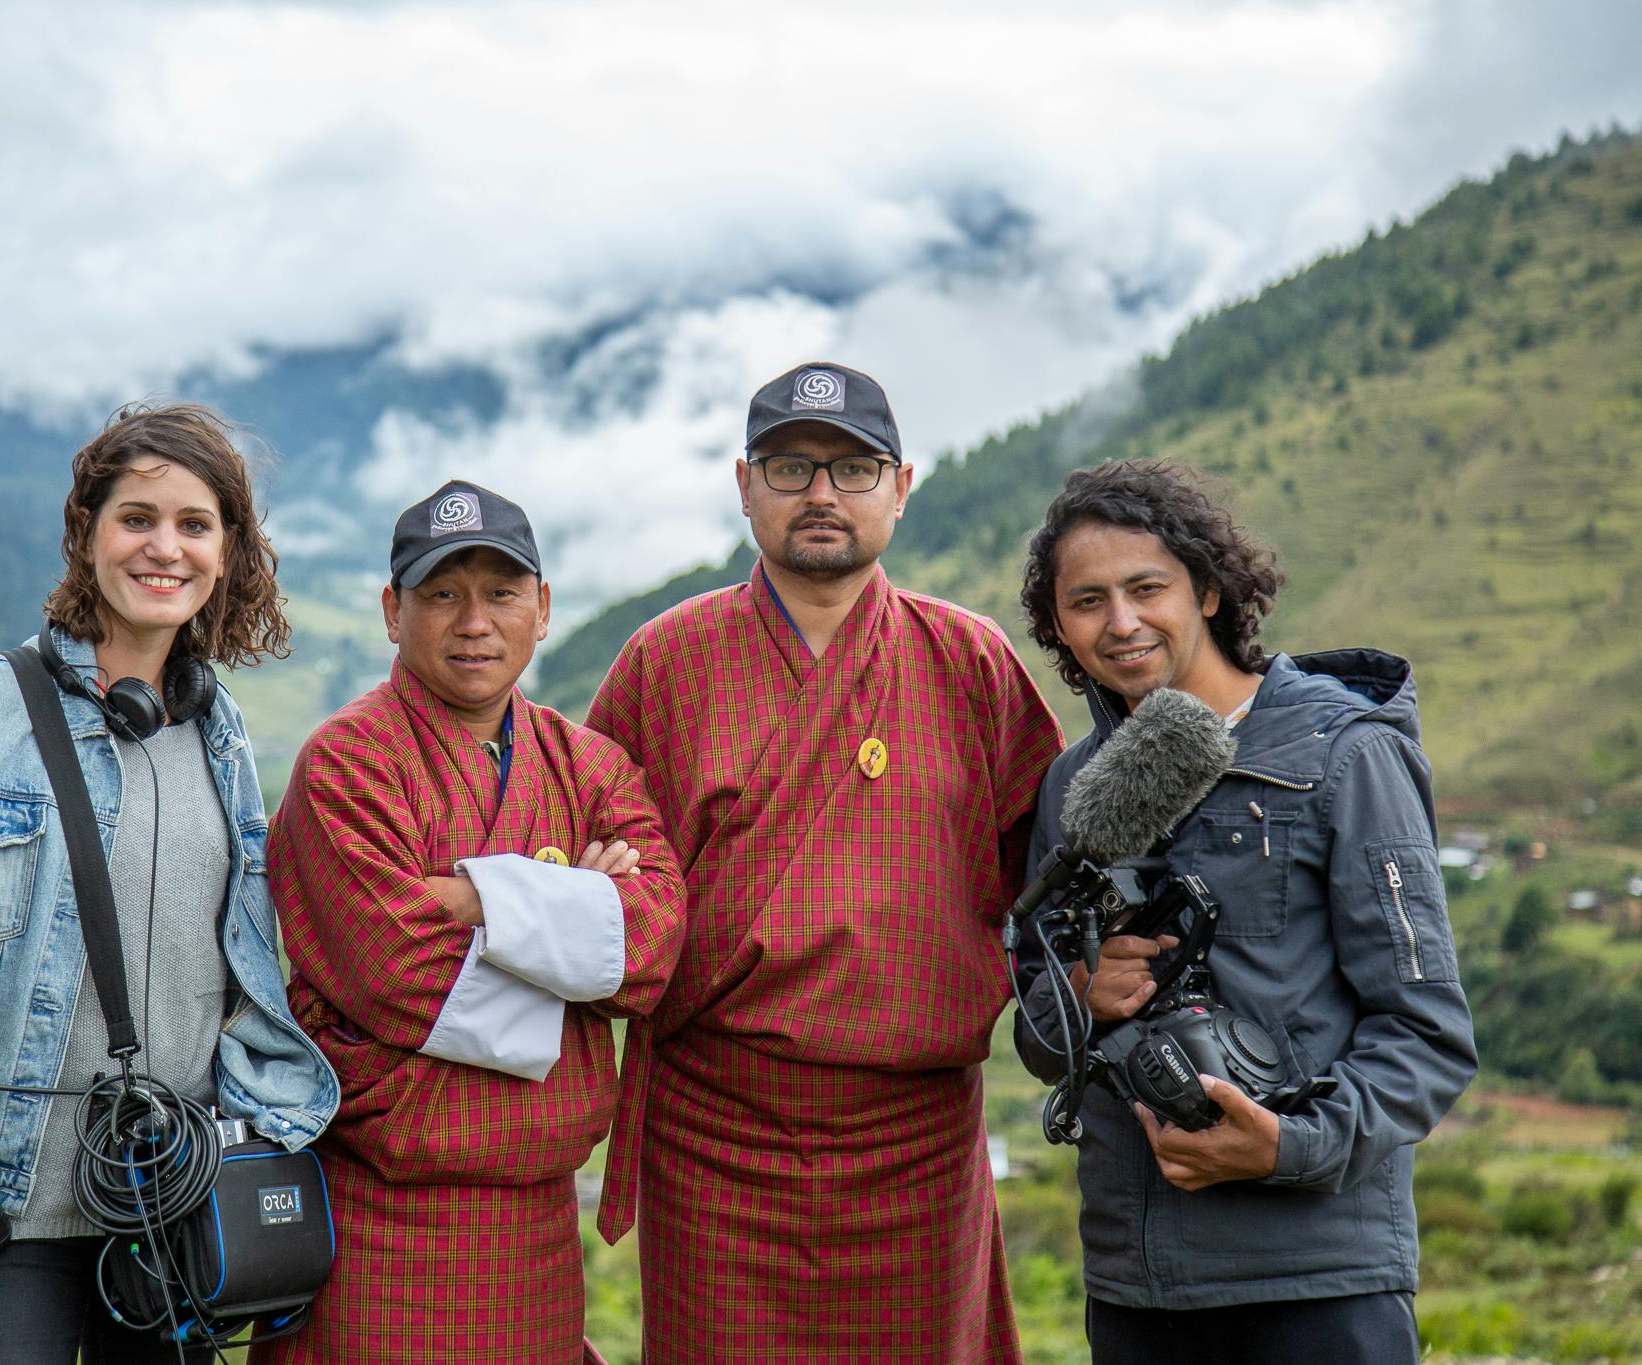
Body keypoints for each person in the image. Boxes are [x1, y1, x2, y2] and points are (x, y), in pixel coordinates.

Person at [0, 403, 338, 1364]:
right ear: (85, 533)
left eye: (194, 524)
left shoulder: (222, 737)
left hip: (167, 1203)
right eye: (136, 518)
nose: (163, 547)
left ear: (228, 552)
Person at [585, 363, 1064, 1363]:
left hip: (917, 1136)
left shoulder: (968, 662)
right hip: (716, 1129)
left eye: (852, 469)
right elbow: (597, 883)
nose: (819, 494)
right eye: (790, 466)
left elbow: (1056, 878)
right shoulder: (663, 663)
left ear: (901, 486)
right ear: (743, 483)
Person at [1013, 459, 1477, 1365]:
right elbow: (1036, 1032)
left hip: (1319, 1280)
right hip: (1135, 1282)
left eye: (1148, 588)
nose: (1121, 623)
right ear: (1058, 627)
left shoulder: (1345, 755)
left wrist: (1286, 1147)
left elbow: (1428, 1032)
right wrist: (1080, 992)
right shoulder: (1075, 790)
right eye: (1087, 601)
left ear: (1212, 590)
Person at [255, 480, 688, 1365]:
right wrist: (570, 908)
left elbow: (652, 944)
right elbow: (398, 971)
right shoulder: (344, 763)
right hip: (375, 1222)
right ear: (391, 610)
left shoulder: (590, 764)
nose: (473, 621)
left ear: (543, 608)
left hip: (535, 1233)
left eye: (500, 592)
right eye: (442, 593)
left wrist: (477, 896)